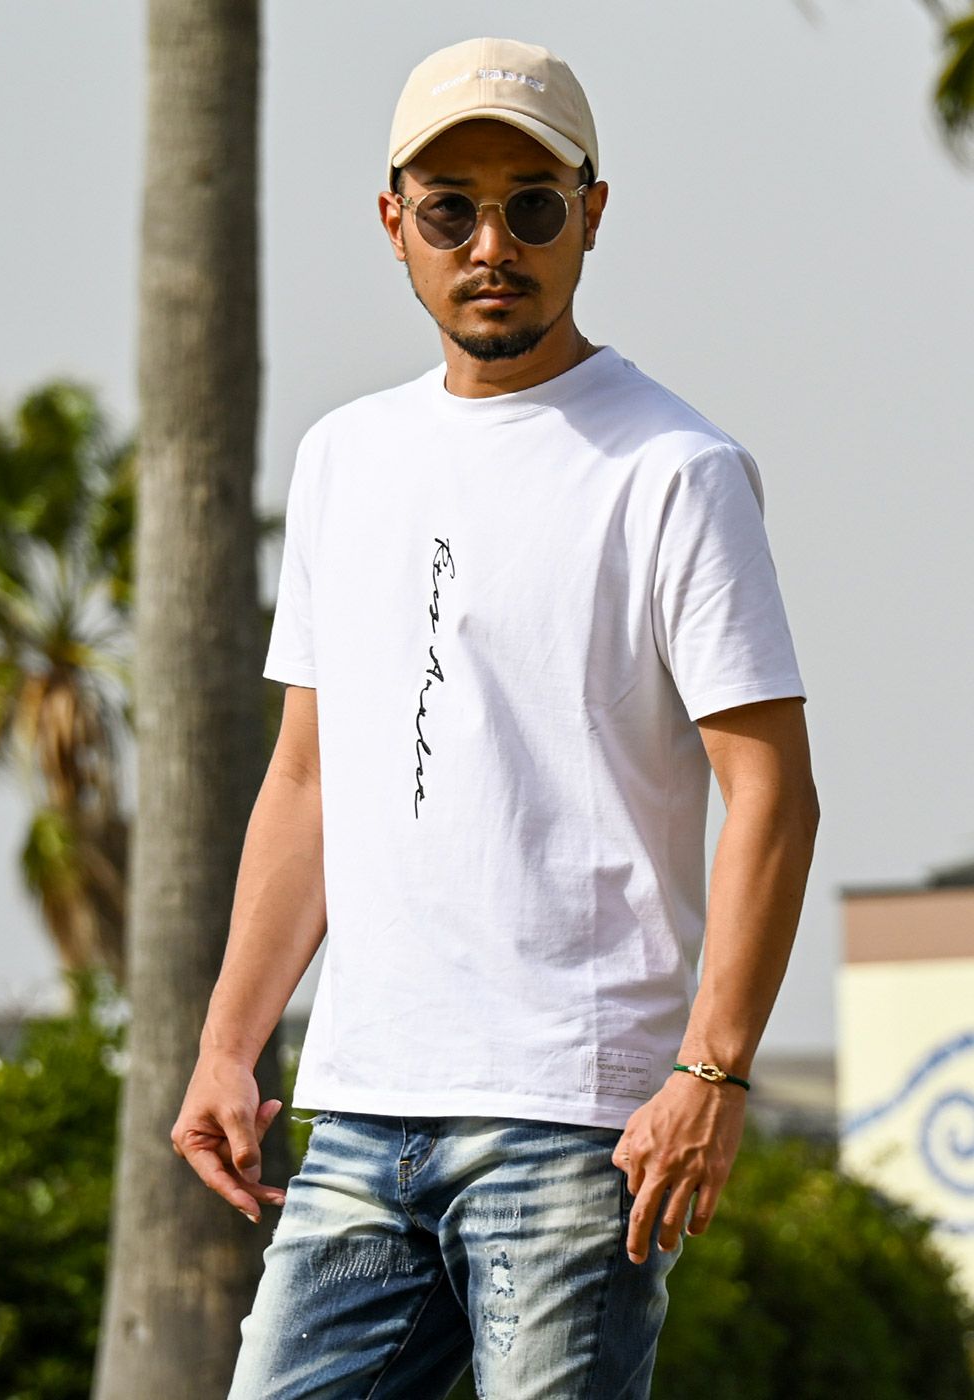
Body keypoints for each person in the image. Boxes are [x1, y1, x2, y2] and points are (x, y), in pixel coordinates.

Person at [172, 35, 820, 1400]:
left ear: (591, 213)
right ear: (394, 220)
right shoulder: (344, 458)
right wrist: (230, 1045)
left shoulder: (676, 470)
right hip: (361, 1114)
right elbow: (308, 780)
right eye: (451, 208)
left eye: (531, 206)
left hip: (575, 1124)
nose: (491, 246)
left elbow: (771, 792)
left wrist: (711, 1074)